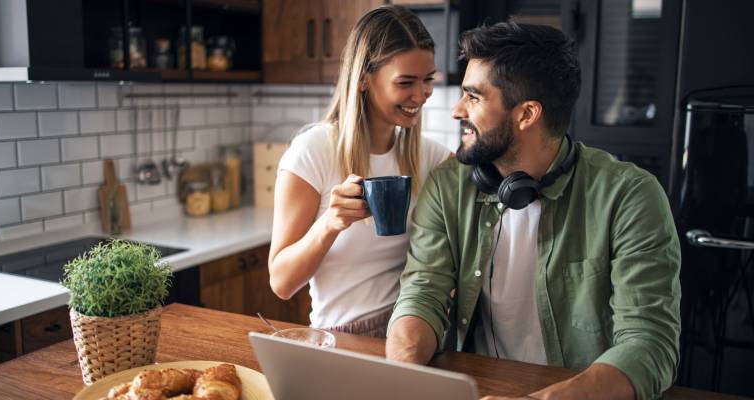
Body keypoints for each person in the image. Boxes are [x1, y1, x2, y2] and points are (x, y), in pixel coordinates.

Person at [385, 22, 681, 400]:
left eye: (474, 98)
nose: (457, 110)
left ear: (527, 114)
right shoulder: (449, 184)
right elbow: (422, 292)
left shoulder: (630, 196)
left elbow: (649, 343)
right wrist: (400, 374)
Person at [268, 5, 451, 338]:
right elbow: (281, 283)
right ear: (365, 79)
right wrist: (330, 224)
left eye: (428, 81)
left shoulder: (432, 157)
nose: (421, 94)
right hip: (340, 337)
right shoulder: (314, 151)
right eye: (406, 82)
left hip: (412, 332)